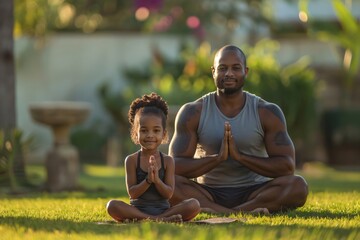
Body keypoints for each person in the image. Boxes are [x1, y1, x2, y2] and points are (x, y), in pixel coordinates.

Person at [168, 45, 308, 214]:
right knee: (167, 183)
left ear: (245, 72)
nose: (229, 73)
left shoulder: (266, 112)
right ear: (213, 71)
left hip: (255, 191)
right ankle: (241, 213)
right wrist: (217, 159)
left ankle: (218, 212)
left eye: (236, 68)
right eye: (222, 68)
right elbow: (174, 167)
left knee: (298, 186)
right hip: (208, 191)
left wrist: (240, 157)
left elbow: (286, 166)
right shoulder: (193, 112)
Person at [106, 92, 200, 222]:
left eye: (156, 131)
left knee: (194, 204)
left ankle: (150, 218)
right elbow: (132, 193)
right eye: (144, 130)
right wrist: (148, 181)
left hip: (164, 210)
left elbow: (168, 194)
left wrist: (156, 180)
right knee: (112, 205)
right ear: (135, 133)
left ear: (164, 134)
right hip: (137, 210)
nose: (150, 135)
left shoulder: (167, 161)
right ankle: (159, 219)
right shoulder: (132, 160)